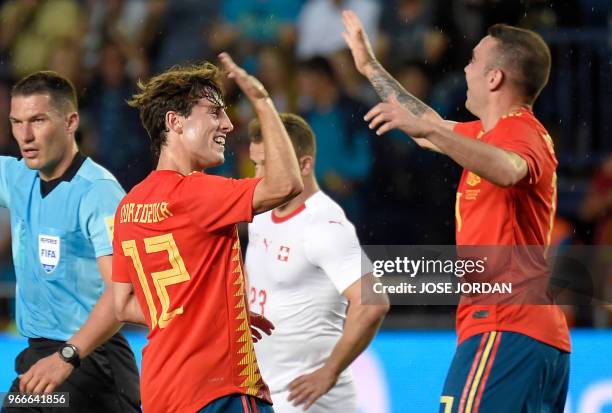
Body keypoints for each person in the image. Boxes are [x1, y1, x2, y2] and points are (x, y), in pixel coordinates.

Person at [342, 10, 570, 413]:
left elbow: (508, 168)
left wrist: (431, 130)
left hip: (505, 325)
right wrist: (369, 66)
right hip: (525, 333)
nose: (465, 69)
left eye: (473, 61)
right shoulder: (487, 134)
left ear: (495, 78)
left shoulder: (522, 129)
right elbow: (426, 123)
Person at [111, 53, 303, 413]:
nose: (228, 125)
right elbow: (287, 184)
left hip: (160, 391)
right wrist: (262, 101)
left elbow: (123, 304)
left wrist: (213, 311)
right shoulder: (197, 192)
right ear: (175, 122)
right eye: (214, 112)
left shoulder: (129, 206)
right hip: (218, 389)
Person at [1, 71, 140, 412]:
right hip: (37, 358)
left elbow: (120, 294)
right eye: (17, 122)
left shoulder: (99, 192)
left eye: (37, 120)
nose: (25, 135)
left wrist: (68, 355)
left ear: (70, 121)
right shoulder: (18, 177)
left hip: (91, 359)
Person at [245, 112, 389, 412]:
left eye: (267, 166)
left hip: (310, 399)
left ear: (305, 165)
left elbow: (373, 301)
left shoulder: (324, 225)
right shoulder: (259, 216)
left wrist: (329, 372)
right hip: (265, 393)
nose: (258, 177)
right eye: (256, 164)